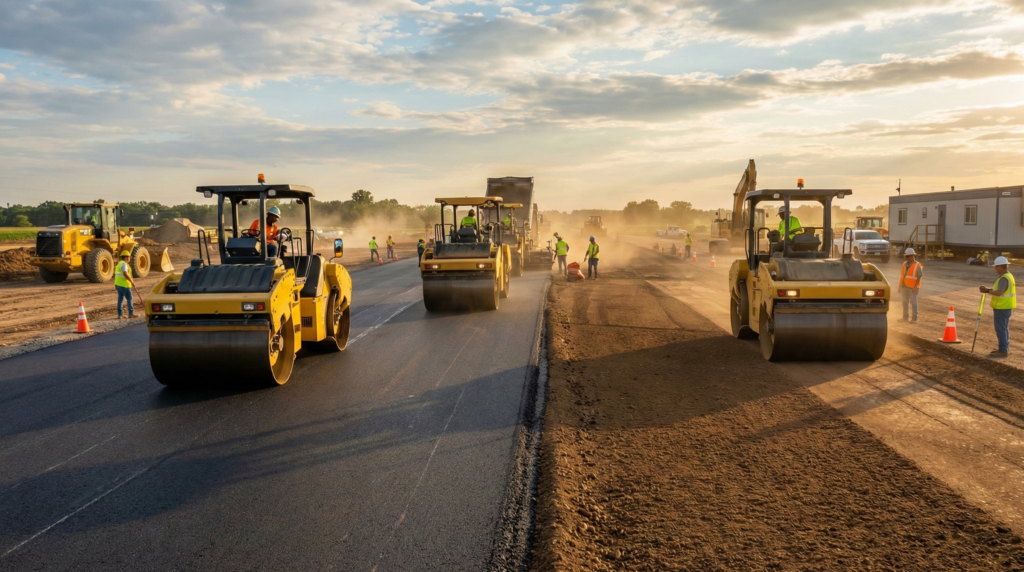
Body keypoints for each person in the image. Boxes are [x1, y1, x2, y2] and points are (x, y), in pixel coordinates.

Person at [980, 256, 1016, 359]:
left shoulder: (1004, 278)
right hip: (1006, 307)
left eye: (996, 267)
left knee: (1000, 329)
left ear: (1000, 266)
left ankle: (1003, 350)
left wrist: (987, 291)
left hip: (1002, 307)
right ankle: (1003, 348)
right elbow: (1000, 290)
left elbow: (1000, 292)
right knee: (1004, 329)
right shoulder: (1008, 276)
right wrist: (988, 289)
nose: (995, 269)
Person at [897, 247, 923, 323]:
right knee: (904, 302)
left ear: (912, 256)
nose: (906, 258)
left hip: (912, 287)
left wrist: (915, 286)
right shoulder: (904, 264)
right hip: (904, 286)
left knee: (913, 302)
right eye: (906, 256)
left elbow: (919, 276)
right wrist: (900, 286)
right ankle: (905, 318)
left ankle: (914, 319)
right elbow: (902, 276)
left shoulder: (917, 265)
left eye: (908, 256)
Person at [115, 251, 136, 320]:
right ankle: (131, 313)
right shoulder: (124, 264)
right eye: (129, 257)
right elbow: (125, 273)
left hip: (118, 284)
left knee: (120, 299)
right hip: (124, 285)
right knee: (130, 298)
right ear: (126, 257)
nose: (130, 258)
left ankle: (120, 314)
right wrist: (132, 281)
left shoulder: (119, 264)